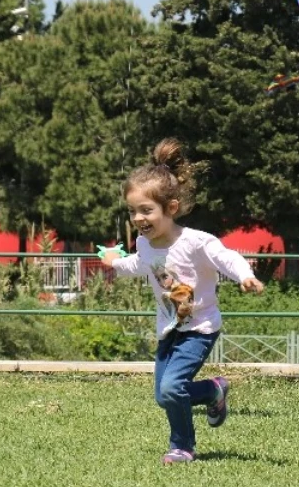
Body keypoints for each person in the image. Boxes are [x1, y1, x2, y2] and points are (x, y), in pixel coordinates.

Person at [100, 139, 265, 465]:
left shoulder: (195, 242)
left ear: (171, 208)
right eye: (133, 211)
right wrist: (114, 265)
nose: (138, 218)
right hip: (169, 330)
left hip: (199, 328)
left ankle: (182, 447)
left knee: (173, 388)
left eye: (147, 210)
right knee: (165, 396)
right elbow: (138, 264)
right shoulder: (146, 246)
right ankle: (212, 391)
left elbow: (226, 258)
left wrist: (244, 275)